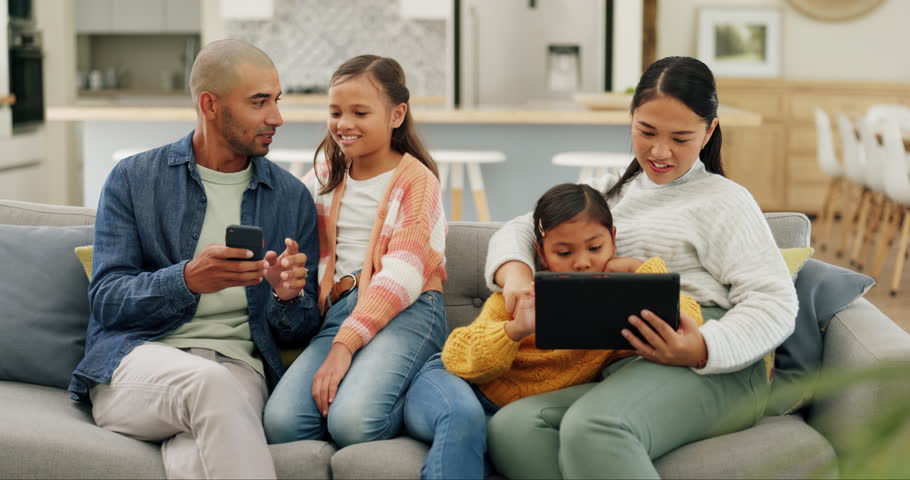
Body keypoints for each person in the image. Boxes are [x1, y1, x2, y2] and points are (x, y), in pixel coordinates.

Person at [483, 56, 799, 479]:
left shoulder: (725, 200)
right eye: (646, 132)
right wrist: (516, 276)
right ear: (631, 119)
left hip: (716, 361)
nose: (660, 151)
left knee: (595, 425)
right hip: (627, 359)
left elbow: (775, 301)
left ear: (708, 132)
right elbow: (522, 228)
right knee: (513, 427)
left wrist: (702, 347)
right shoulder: (615, 191)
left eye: (680, 138)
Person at [68, 39, 321, 479]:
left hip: (239, 369)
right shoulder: (134, 179)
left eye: (276, 100)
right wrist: (186, 280)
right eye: (259, 102)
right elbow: (107, 299)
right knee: (211, 389)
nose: (276, 118)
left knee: (198, 450)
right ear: (210, 104)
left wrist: (286, 296)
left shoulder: (291, 197)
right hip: (137, 362)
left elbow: (299, 328)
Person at [402, 183, 704, 480]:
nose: (583, 262)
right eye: (563, 252)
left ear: (613, 240)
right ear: (542, 253)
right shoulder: (524, 295)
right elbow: (456, 357)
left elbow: (686, 321)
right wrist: (513, 330)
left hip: (504, 416)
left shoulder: (621, 304)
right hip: (452, 384)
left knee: (490, 449)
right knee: (463, 420)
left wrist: (642, 270)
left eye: (595, 248)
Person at [262, 55, 447, 447]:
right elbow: (284, 207)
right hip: (342, 311)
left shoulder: (418, 182)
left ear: (397, 115)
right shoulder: (327, 176)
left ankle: (412, 388)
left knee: (353, 424)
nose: (344, 124)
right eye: (335, 112)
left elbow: (402, 274)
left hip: (408, 310)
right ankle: (374, 385)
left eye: (360, 112)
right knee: (281, 425)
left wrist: (343, 348)